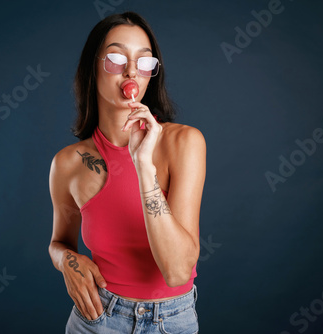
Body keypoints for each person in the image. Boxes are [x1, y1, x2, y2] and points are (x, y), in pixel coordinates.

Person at [48, 11, 206, 333]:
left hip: (172, 321)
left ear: (151, 75)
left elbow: (177, 271)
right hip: (97, 319)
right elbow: (58, 243)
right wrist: (67, 262)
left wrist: (143, 165)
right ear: (93, 68)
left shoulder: (184, 143)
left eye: (144, 62)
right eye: (117, 58)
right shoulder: (67, 163)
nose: (132, 69)